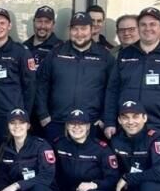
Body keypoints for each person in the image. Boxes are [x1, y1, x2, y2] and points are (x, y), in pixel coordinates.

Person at [103, 7, 160, 145]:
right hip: (126, 125)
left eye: (153, 24)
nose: (148, 28)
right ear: (138, 28)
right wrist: (109, 122)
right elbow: (112, 90)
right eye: (143, 24)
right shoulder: (125, 55)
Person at [34, 11, 113, 144]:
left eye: (83, 28)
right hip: (58, 123)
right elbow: (41, 84)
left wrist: (104, 118)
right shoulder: (55, 54)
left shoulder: (105, 56)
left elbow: (112, 90)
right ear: (69, 30)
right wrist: (43, 116)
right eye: (75, 29)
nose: (79, 33)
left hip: (91, 124)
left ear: (91, 29)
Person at [0, 9, 36, 153]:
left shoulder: (21, 52)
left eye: (2, 23)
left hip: (11, 118)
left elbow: (30, 87)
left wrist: (24, 116)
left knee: (9, 156)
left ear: (9, 26)